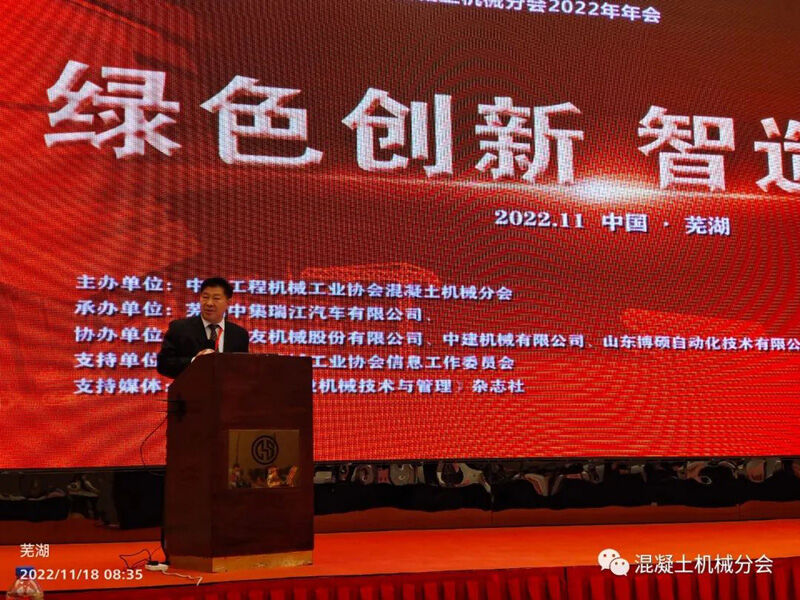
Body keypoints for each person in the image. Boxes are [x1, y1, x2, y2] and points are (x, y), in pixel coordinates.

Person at [156, 277, 249, 378]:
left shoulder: (239, 335)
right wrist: (194, 361)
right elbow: (163, 364)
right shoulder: (180, 328)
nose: (209, 303)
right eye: (205, 297)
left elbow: (243, 370)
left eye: (216, 298)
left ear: (228, 302)